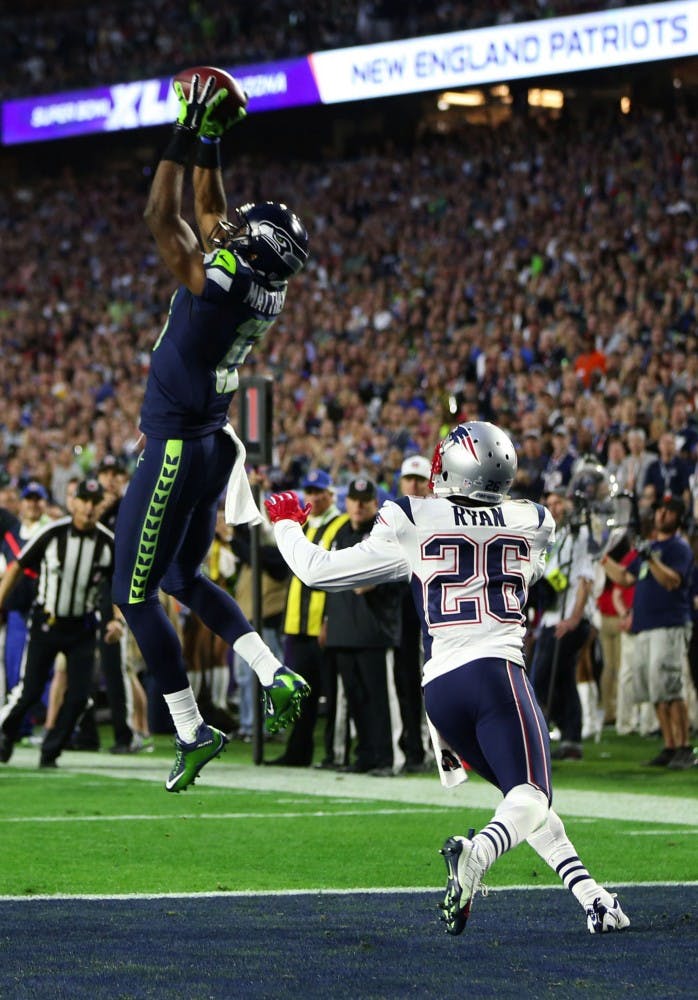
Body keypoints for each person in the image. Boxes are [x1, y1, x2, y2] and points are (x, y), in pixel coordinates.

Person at [264, 421, 630, 935]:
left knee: (521, 799)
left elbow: (319, 572)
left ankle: (593, 897)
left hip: (441, 691)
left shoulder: (413, 514)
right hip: (496, 673)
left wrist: (285, 524)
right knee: (531, 795)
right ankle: (475, 858)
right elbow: (533, 568)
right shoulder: (534, 519)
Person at [111, 73, 311, 792]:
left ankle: (190, 727)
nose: (230, 224)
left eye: (242, 230)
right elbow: (212, 209)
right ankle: (271, 667)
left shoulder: (219, 282)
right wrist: (213, 138)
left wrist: (186, 127)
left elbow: (163, 217)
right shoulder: (267, 283)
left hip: (176, 446)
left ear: (248, 249)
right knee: (181, 577)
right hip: (213, 443)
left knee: (132, 595)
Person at [0, 478, 124, 768]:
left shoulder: (107, 543)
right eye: (84, 501)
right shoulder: (52, 533)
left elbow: (118, 585)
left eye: (95, 503)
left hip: (82, 627)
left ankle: (51, 751)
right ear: (73, 503)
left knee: (80, 697)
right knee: (29, 691)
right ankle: (6, 733)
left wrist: (116, 620)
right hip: (46, 623)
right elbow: (17, 565)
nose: (90, 508)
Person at [601, 496, 696, 769]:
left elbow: (672, 581)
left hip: (669, 624)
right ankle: (669, 745)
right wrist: (601, 557)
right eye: (660, 510)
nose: (662, 514)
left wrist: (650, 558)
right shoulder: (651, 547)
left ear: (678, 518)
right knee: (654, 689)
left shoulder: (679, 547)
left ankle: (684, 747)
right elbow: (624, 577)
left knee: (670, 687)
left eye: (669, 511)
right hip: (645, 626)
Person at [268, 469, 348, 767]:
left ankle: (333, 752)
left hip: (323, 624)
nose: (314, 497)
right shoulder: (304, 527)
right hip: (296, 623)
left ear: (331, 494)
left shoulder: (340, 525)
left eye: (320, 492)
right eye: (310, 492)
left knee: (333, 694)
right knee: (299, 694)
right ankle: (297, 751)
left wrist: (330, 617)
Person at [323, 477, 402, 776]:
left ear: (374, 503)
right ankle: (366, 755)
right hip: (345, 629)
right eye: (354, 500)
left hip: (375, 631)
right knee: (356, 698)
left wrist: (375, 582)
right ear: (346, 502)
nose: (358, 505)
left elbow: (400, 578)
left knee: (380, 699)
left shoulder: (384, 534)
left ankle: (388, 757)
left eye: (365, 500)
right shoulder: (340, 532)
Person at [529, 488, 595, 760]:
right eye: (550, 503)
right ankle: (571, 739)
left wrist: (574, 618)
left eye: (558, 502)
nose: (554, 508)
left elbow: (585, 578)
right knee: (563, 679)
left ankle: (544, 736)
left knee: (542, 679)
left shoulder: (580, 536)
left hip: (567, 619)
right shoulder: (556, 538)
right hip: (553, 616)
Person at [393, 455, 432, 772]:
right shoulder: (393, 517)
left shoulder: (438, 516)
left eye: (420, 479)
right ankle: (414, 748)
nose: (414, 485)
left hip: (434, 613)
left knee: (430, 682)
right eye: (410, 479)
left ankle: (432, 750)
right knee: (406, 682)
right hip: (402, 613)